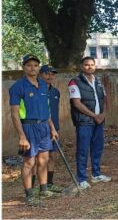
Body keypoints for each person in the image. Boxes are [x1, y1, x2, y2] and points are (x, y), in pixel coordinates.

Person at [9, 54, 60, 206]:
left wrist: (52, 128)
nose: (33, 68)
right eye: (29, 65)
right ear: (23, 67)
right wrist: (22, 136)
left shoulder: (43, 85)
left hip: (44, 126)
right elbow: (14, 114)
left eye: (35, 65)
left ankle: (44, 190)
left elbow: (47, 110)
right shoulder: (18, 87)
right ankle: (29, 195)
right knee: (29, 162)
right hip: (29, 127)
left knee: (43, 159)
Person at [67, 56, 111, 190]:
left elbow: (104, 98)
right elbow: (77, 103)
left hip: (99, 121)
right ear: (82, 66)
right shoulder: (75, 82)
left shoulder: (98, 81)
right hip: (84, 121)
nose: (90, 67)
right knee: (83, 150)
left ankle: (96, 174)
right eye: (87, 65)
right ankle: (81, 178)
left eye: (92, 65)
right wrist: (94, 116)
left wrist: (103, 114)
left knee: (97, 148)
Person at [38, 65, 63, 194]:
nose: (50, 76)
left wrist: (56, 128)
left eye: (53, 74)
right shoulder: (37, 90)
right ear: (40, 74)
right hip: (39, 128)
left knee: (52, 156)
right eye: (47, 73)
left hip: (54, 129)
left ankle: (50, 183)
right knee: (39, 158)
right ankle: (37, 186)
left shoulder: (55, 92)